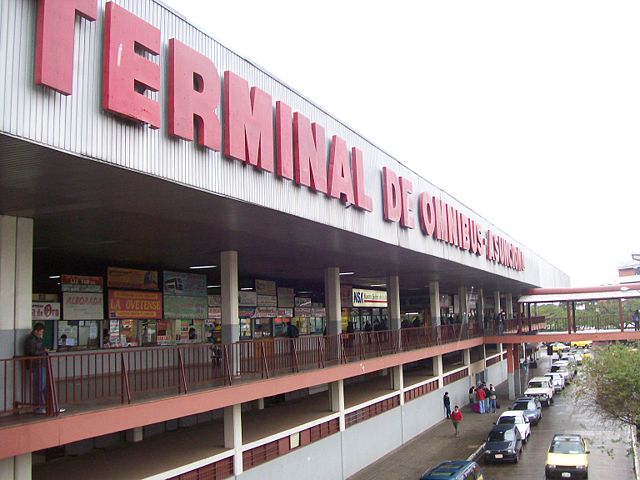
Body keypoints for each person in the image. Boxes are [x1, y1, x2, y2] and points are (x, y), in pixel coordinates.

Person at [24, 323, 47, 414]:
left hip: (41, 364)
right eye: (40, 332)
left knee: (42, 386)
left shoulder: (37, 339)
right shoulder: (31, 340)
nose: (41, 334)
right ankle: (39, 407)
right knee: (39, 386)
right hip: (36, 365)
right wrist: (43, 351)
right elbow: (33, 352)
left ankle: (42, 405)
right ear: (36, 331)